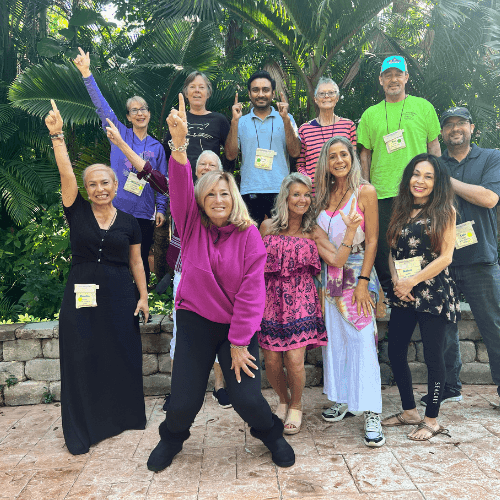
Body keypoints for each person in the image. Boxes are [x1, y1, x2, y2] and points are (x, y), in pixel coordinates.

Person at [140, 94, 295, 472]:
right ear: (202, 200)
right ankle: (172, 439)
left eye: (225, 192)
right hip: (195, 321)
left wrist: (240, 343)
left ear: (235, 197)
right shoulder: (191, 225)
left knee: (246, 398)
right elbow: (177, 190)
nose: (218, 199)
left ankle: (272, 434)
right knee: (183, 400)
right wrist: (178, 147)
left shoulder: (248, 236)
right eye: (210, 194)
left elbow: (251, 293)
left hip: (235, 328)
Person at [45, 100, 149, 455]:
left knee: (119, 352)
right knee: (80, 355)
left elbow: (137, 263)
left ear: (116, 184)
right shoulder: (76, 212)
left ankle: (116, 417)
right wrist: (58, 136)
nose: (99, 188)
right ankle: (80, 428)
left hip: (121, 295)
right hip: (81, 294)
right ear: (87, 189)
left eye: (105, 182)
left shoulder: (130, 222)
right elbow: (66, 176)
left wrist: (144, 296)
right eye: (93, 184)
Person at [420, 107, 500, 407]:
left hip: (482, 259)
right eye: (449, 124)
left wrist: (447, 180)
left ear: (472, 127)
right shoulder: (435, 164)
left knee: (493, 325)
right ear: (442, 132)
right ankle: (450, 387)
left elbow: (489, 198)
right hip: (443, 260)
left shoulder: (491, 158)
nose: (455, 129)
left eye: (461, 123)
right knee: (444, 328)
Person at [73, 47, 168, 285]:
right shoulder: (119, 134)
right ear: (127, 116)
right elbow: (102, 106)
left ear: (149, 113)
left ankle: (141, 306)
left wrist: (162, 209)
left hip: (144, 214)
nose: (139, 113)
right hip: (116, 210)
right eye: (134, 110)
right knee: (116, 261)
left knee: (141, 262)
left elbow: (162, 181)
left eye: (143, 109)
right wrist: (87, 74)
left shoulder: (156, 147)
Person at [382, 153, 459, 441]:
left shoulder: (445, 211)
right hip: (404, 291)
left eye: (428, 176)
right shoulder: (401, 209)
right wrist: (398, 283)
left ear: (437, 182)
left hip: (432, 292)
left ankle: (432, 419)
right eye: (416, 174)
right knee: (396, 352)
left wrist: (412, 280)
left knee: (433, 356)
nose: (420, 181)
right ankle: (409, 411)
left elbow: (446, 257)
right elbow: (392, 251)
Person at [314, 136, 385, 447]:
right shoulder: (323, 194)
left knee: (361, 339)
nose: (339, 160)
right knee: (336, 340)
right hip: (329, 274)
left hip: (356, 271)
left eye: (344, 154)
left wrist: (364, 282)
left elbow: (372, 241)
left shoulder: (365, 191)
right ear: (326, 163)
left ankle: (371, 410)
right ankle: (343, 398)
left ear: (352, 157)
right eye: (333, 156)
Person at [357, 55, 441, 292]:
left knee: (420, 242)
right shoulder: (370, 114)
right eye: (388, 75)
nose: (393, 79)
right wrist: (366, 186)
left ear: (406, 77)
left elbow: (434, 147)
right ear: (381, 80)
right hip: (382, 192)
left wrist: (438, 182)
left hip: (419, 190)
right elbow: (365, 154)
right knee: (385, 246)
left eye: (398, 74)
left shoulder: (423, 107)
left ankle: (418, 290)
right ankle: (391, 293)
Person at [258, 173, 327, 435]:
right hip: (271, 300)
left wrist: (352, 231)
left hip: (301, 300)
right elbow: (253, 266)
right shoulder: (267, 227)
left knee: (295, 361)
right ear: (285, 197)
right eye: (296, 194)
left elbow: (336, 258)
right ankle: (283, 400)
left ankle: (296, 405)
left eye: (307, 194)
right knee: (273, 362)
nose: (302, 199)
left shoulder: (313, 231)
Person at [225, 70, 301, 225]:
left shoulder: (287, 118)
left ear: (273, 94)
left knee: (280, 240)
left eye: (265, 90)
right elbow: (230, 155)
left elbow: (295, 151)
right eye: (255, 90)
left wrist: (286, 119)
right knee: (253, 241)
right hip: (250, 190)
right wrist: (234, 122)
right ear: (249, 93)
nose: (260, 94)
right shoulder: (241, 121)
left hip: (281, 190)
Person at [163, 71, 231, 179]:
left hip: (210, 183)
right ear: (186, 93)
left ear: (208, 93)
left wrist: (221, 177)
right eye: (192, 87)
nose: (197, 91)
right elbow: (166, 152)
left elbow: (230, 155)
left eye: (201, 87)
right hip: (181, 180)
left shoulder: (219, 120)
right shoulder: (178, 119)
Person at [296, 78, 356, 192]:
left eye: (331, 93)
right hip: (314, 193)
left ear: (337, 98)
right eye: (321, 94)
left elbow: (354, 162)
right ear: (315, 99)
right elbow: (300, 164)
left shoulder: (349, 126)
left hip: (343, 192)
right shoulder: (304, 129)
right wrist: (306, 178)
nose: (326, 96)